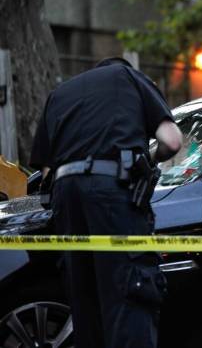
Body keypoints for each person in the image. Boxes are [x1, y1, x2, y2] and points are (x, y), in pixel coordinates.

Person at [29, 57, 183, 348]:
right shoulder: (129, 77)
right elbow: (172, 141)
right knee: (130, 296)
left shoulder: (59, 94)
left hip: (65, 198)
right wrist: (146, 161)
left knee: (84, 304)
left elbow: (46, 174)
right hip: (113, 192)